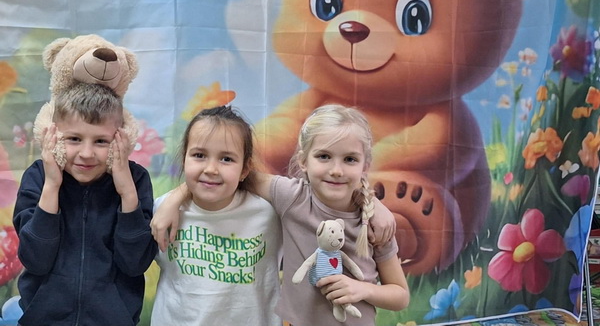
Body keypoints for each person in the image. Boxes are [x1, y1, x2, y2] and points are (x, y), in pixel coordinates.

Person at [153, 104, 408, 326]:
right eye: (324, 156)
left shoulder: (375, 224)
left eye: (350, 159)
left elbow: (401, 295)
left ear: (365, 165)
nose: (336, 170)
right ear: (304, 160)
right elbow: (225, 174)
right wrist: (174, 198)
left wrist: (362, 289)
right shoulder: (292, 198)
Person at [13, 82, 156, 326]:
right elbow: (35, 260)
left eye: (101, 141)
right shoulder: (38, 177)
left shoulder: (136, 180)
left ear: (121, 139)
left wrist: (127, 193)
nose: (87, 153)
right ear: (54, 137)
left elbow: (135, 264)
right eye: (74, 139)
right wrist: (52, 186)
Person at [150, 105, 283, 326]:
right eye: (199, 155)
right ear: (184, 159)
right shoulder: (162, 211)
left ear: (245, 169)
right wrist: (175, 198)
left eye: (226, 159)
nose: (211, 169)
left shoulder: (269, 214)